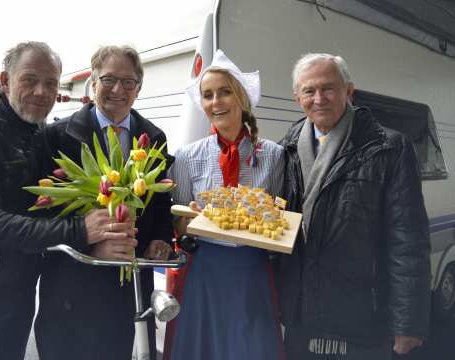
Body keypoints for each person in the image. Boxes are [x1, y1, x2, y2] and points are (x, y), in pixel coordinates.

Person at [0, 41, 136, 360]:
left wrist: (103, 232)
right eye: (30, 80)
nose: (41, 91)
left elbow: (48, 208)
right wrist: (80, 231)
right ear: (5, 80)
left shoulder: (37, 133)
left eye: (51, 83)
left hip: (19, 283)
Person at [278, 53, 431, 359]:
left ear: (349, 91)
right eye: (309, 91)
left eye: (328, 88)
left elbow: (408, 240)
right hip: (302, 312)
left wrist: (407, 321)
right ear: (298, 98)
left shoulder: (388, 147)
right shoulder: (287, 149)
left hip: (363, 313)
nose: (319, 98)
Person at [34, 45, 174, 360]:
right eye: (108, 79)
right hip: (71, 290)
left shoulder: (153, 138)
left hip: (128, 291)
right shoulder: (56, 137)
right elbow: (43, 217)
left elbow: (161, 204)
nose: (118, 90)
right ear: (93, 82)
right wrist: (90, 245)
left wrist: (159, 239)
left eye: (128, 82)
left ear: (138, 88)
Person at [166, 50, 286, 360]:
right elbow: (177, 223)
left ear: (242, 97)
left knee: (250, 347)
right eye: (208, 95)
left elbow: (279, 212)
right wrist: (188, 217)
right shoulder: (186, 156)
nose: (215, 101)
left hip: (252, 271)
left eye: (224, 92)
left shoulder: (273, 154)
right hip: (205, 270)